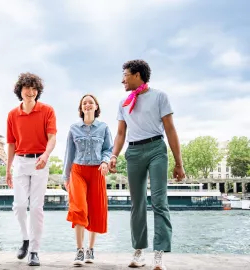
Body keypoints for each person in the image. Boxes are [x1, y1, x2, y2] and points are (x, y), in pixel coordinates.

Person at [108, 60, 186, 270]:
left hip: (156, 150)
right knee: (137, 204)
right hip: (133, 153)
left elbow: (170, 129)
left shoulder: (160, 96)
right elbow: (121, 134)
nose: (122, 79)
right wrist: (113, 156)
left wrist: (179, 163)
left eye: (125, 75)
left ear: (137, 75)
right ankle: (139, 251)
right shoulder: (123, 102)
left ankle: (159, 253)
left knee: (159, 201)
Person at [5, 72, 57, 266]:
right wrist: (8, 168)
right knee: (19, 206)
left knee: (36, 208)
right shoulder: (12, 114)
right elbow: (10, 144)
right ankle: (25, 239)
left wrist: (45, 155)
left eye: (34, 88)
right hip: (20, 161)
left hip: (40, 162)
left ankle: (34, 250)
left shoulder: (47, 110)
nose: (31, 92)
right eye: (27, 88)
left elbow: (52, 138)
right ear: (20, 90)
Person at [62, 94, 113, 266]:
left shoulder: (104, 128)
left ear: (96, 106)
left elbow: (108, 149)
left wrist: (105, 161)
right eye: (84, 103)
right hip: (78, 170)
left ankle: (90, 249)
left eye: (91, 102)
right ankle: (79, 250)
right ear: (81, 108)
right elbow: (68, 153)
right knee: (79, 209)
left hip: (97, 171)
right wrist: (65, 176)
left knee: (95, 210)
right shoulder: (74, 128)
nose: (87, 105)